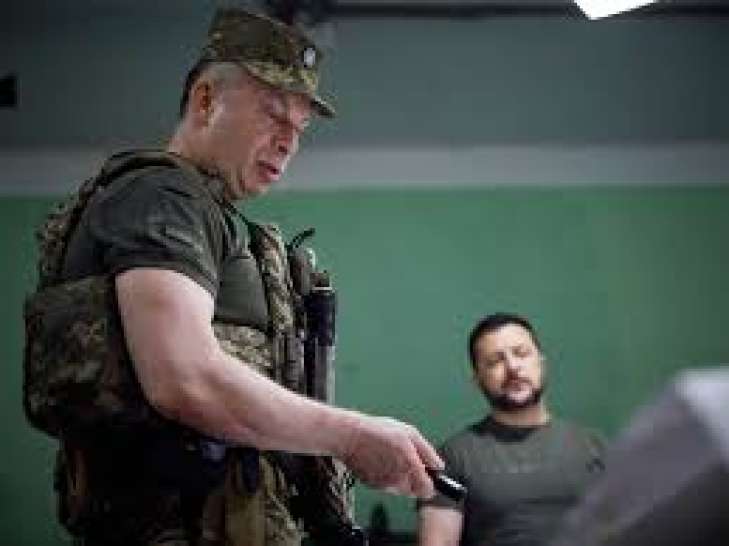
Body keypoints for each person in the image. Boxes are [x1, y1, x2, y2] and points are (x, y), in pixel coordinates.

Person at [23, 8, 442, 546]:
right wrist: (354, 436)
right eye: (273, 115)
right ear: (205, 100)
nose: (289, 142)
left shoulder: (208, 212)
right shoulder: (162, 197)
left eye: (300, 128)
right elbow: (184, 380)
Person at [417, 313, 605, 546]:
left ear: (541, 362)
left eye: (521, 353)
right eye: (495, 361)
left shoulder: (594, 447)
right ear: (477, 379)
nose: (513, 367)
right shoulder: (452, 457)